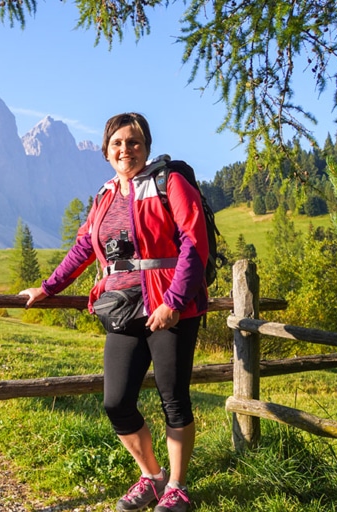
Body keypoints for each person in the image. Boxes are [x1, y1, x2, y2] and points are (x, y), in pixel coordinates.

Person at [19, 112, 208, 512]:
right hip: (122, 309)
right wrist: (49, 287)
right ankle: (152, 477)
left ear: (147, 147)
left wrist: (174, 302)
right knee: (116, 401)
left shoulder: (169, 183)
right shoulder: (104, 195)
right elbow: (84, 248)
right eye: (118, 143)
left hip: (168, 307)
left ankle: (177, 487)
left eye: (134, 142)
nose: (126, 150)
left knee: (173, 398)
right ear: (106, 151)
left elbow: (194, 242)